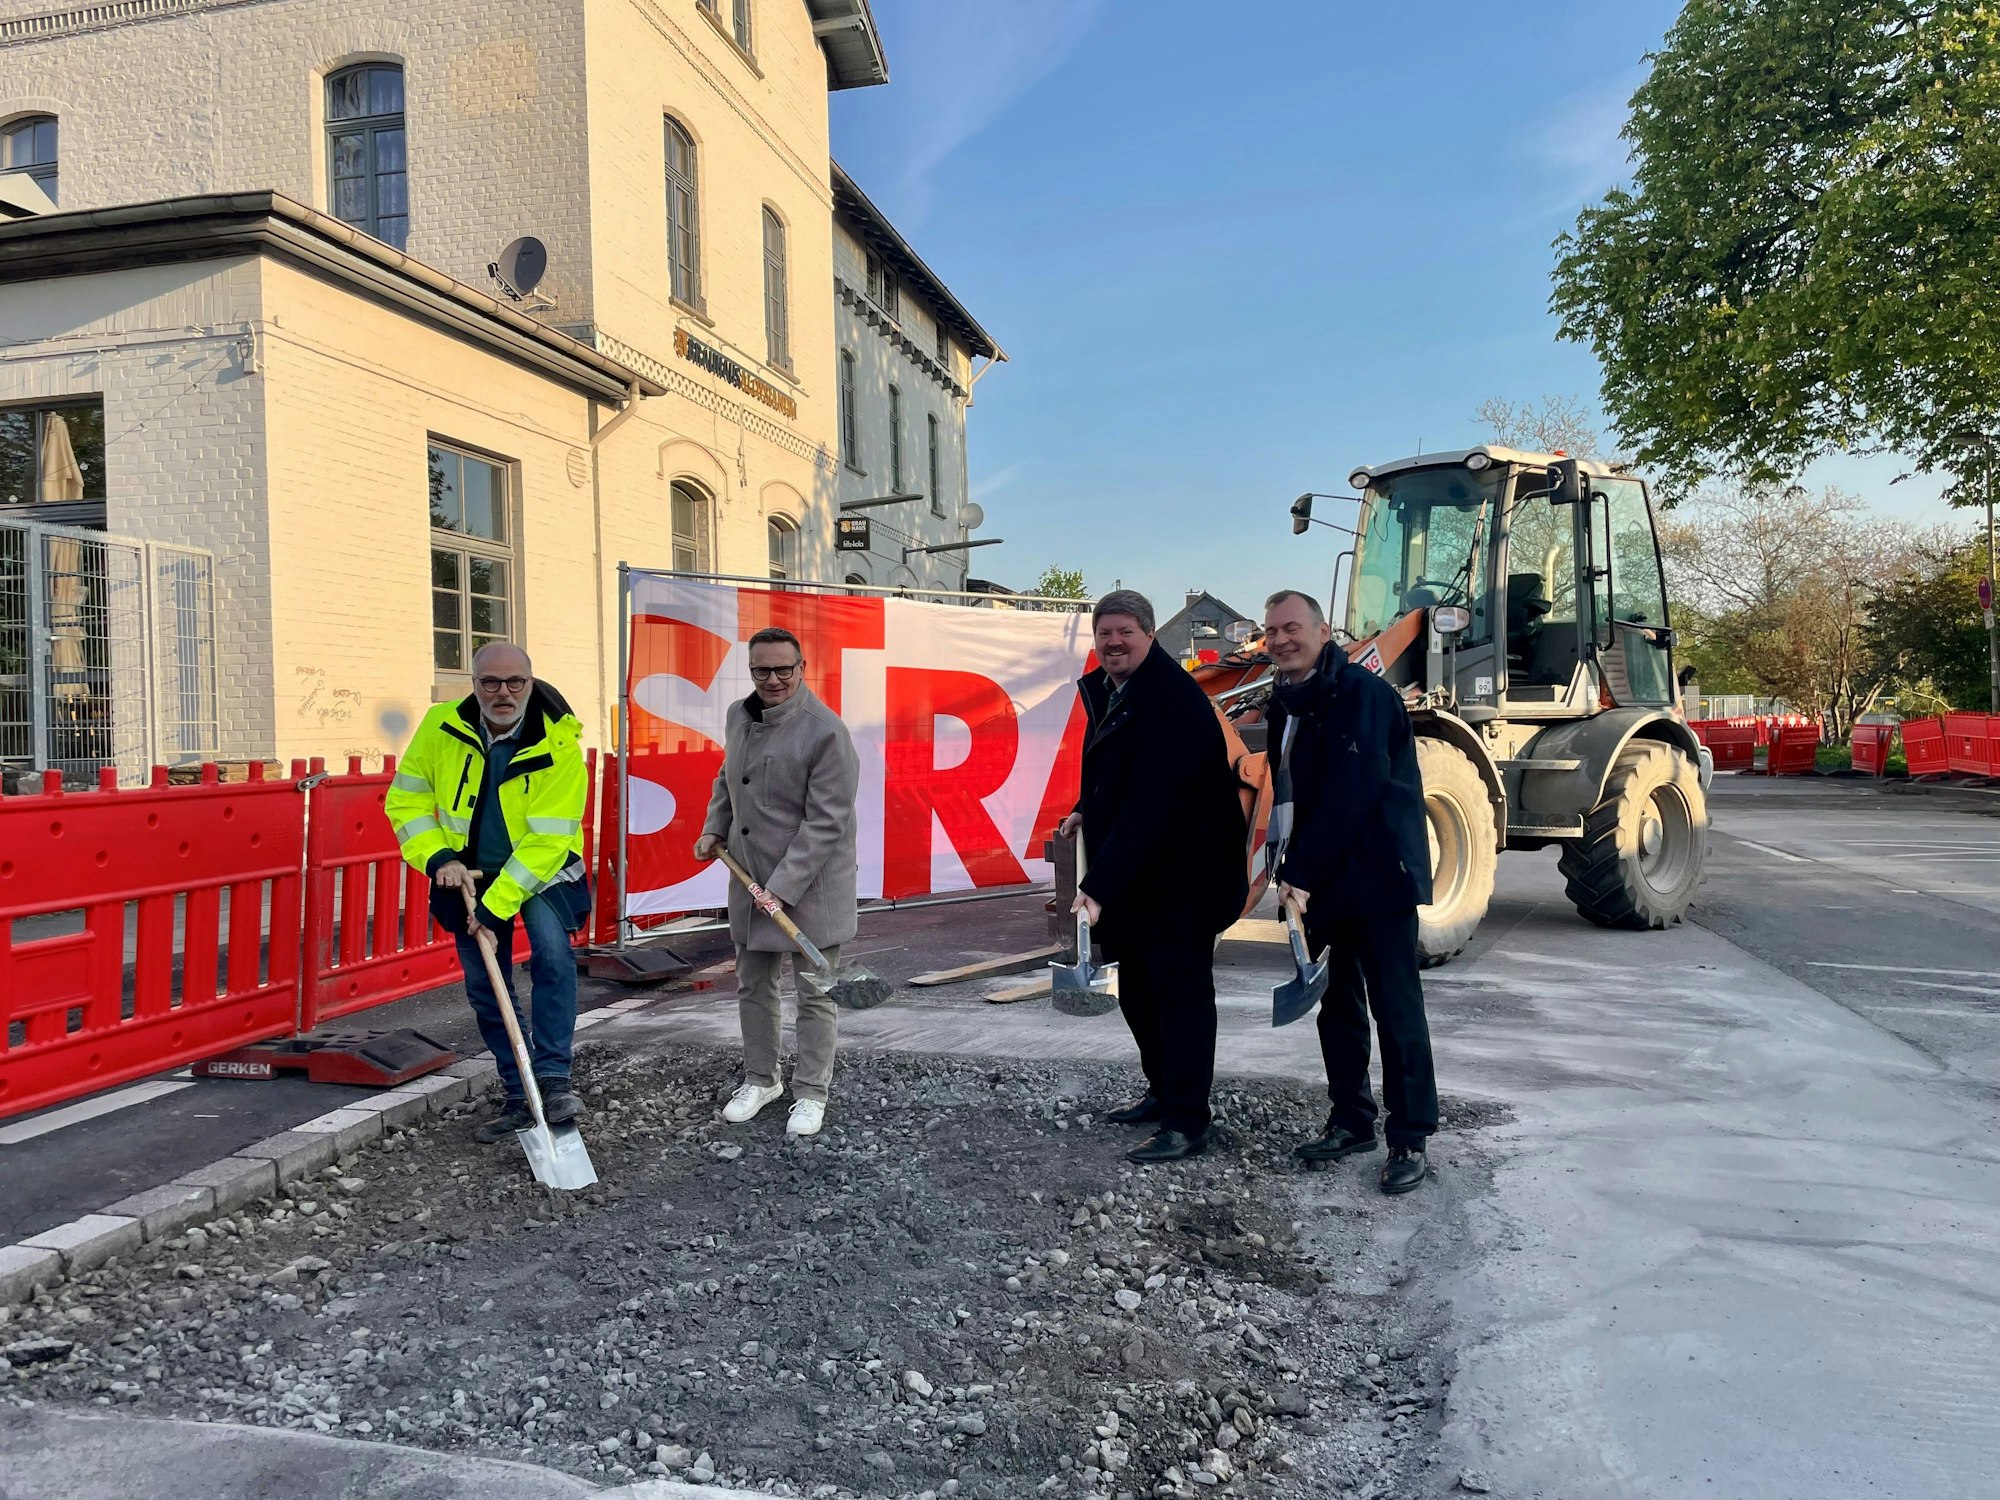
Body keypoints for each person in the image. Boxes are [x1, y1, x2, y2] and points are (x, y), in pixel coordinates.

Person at [1060, 589, 1249, 1163]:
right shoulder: (1117, 690)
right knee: (1140, 990)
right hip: (1144, 877)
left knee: (1180, 997)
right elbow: (1119, 776)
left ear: (1148, 635)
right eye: (1105, 633)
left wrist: (1097, 885)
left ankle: (1189, 1120)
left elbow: (1154, 804)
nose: (1113, 642)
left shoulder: (1171, 699)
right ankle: (1164, 1092)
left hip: (1184, 880)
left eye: (1125, 632)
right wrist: (1084, 809)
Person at [1260, 589, 1438, 1194]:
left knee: (1396, 1008)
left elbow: (1353, 793)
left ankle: (1409, 1138)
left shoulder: (1363, 696)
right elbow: (1289, 793)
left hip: (1379, 874)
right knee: (1337, 1008)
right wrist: (1285, 866)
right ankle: (1351, 1119)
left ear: (1323, 630)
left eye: (1292, 628)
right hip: (1321, 880)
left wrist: (1300, 871)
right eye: (1272, 632)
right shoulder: (1286, 703)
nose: (1280, 640)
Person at [385, 642, 593, 1143]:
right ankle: (521, 1093)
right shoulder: (441, 728)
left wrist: (496, 905)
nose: (503, 692)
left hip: (540, 872)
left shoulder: (559, 743)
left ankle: (553, 1078)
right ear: (474, 684)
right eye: (490, 682)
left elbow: (547, 840)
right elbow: (406, 803)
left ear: (530, 681)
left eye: (514, 682)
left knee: (551, 957)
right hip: (467, 873)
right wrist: (440, 859)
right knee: (485, 986)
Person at [694, 626, 860, 1139]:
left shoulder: (826, 731)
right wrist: (712, 827)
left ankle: (812, 1091)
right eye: (761, 669)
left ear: (801, 668)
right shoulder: (739, 718)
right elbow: (727, 778)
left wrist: (782, 888)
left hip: (809, 885)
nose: (772, 679)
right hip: (750, 879)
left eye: (783, 669)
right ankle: (762, 1079)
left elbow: (827, 820)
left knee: (815, 992)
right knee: (753, 986)